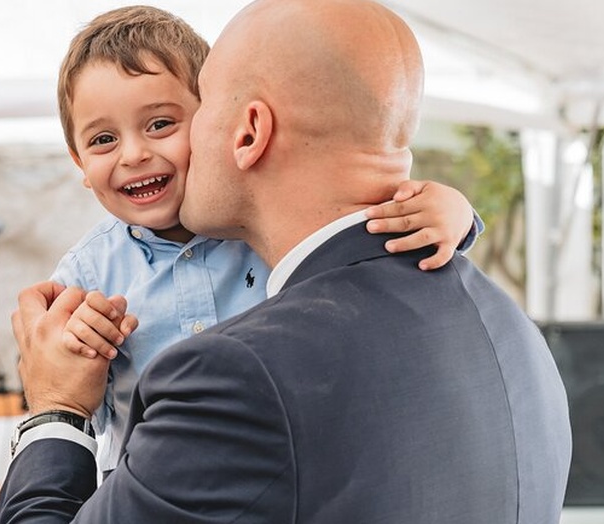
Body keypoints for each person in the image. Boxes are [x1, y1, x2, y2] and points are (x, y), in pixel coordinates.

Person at [0, 0, 572, 522]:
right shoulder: (507, 322)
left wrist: (55, 408)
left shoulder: (235, 377)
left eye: (176, 122)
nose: (138, 153)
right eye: (102, 140)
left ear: (247, 132)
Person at [42, 4, 482, 476]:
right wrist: (76, 346)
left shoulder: (265, 224)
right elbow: (69, 394)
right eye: (103, 140)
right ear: (79, 162)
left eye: (160, 125)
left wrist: (452, 210)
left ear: (214, 122)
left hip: (280, 471)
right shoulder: (87, 276)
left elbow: (377, 218)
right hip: (149, 487)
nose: (134, 154)